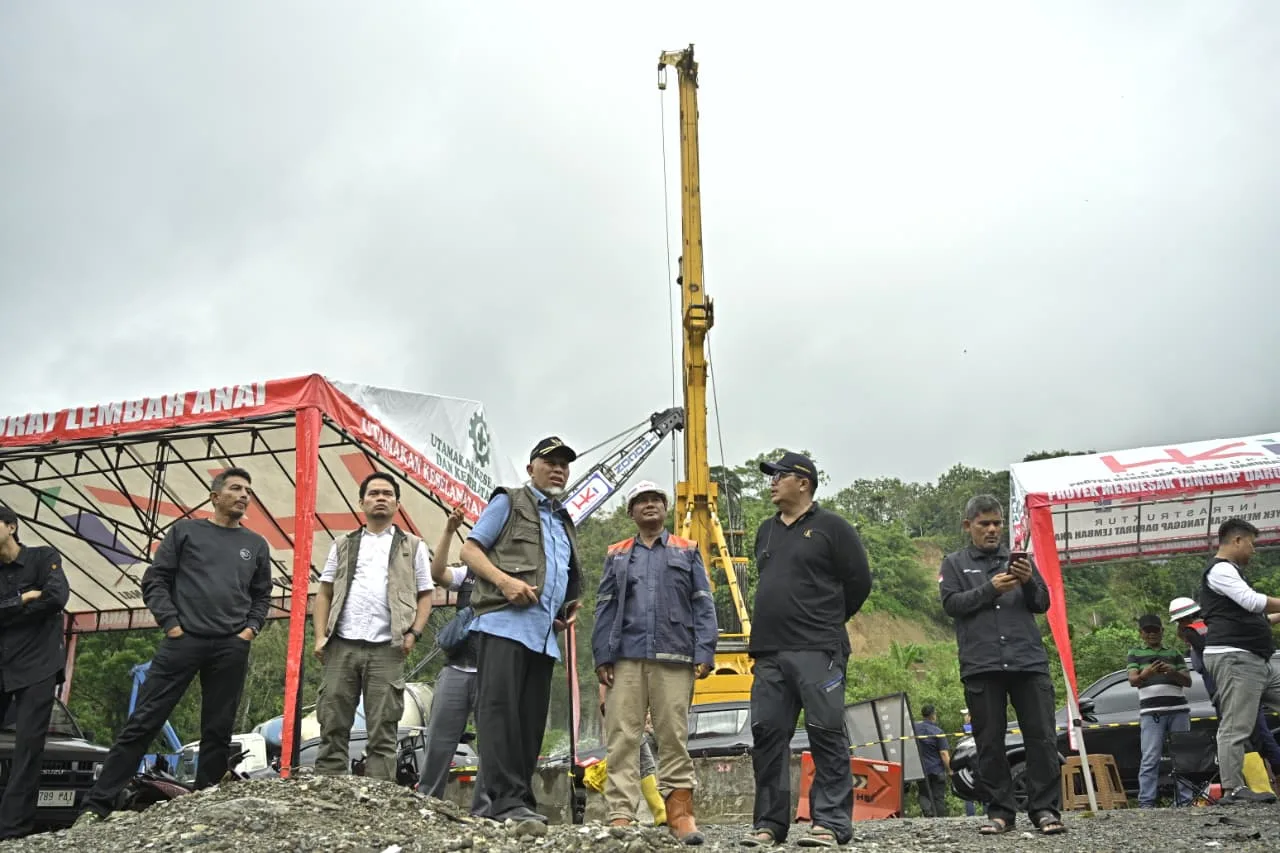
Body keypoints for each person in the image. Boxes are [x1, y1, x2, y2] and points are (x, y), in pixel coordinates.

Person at [77, 467, 272, 825]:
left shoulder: (256, 545)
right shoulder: (185, 532)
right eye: (235, 488)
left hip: (231, 645)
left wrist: (250, 630)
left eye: (248, 490)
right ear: (215, 496)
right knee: (144, 721)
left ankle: (206, 806)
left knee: (218, 729)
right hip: (184, 640)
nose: (244, 495)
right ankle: (95, 807)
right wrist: (172, 625)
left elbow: (262, 595)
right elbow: (155, 580)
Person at [742, 452, 872, 849]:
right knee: (767, 734)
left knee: (825, 732)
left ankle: (830, 823)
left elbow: (859, 582)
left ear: (803, 482)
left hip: (819, 650)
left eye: (779, 475)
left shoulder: (833, 527)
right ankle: (769, 824)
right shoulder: (766, 530)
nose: (772, 482)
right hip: (769, 651)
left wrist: (826, 620)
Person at [464, 436, 583, 824]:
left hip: (543, 636)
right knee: (499, 714)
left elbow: (556, 573)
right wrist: (504, 582)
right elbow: (470, 551)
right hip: (503, 623)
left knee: (530, 724)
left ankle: (521, 802)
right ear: (531, 468)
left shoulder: (563, 520)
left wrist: (564, 606)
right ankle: (505, 802)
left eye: (564, 464)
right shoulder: (509, 501)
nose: (558, 469)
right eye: (550, 462)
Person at [592, 480, 717, 843]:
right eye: (641, 501)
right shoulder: (616, 554)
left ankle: (680, 814)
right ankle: (621, 814)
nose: (649, 505)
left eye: (656, 500)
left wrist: (705, 650)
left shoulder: (686, 550)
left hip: (674, 655)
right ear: (631, 512)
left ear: (665, 509)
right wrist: (602, 656)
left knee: (673, 736)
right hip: (625, 657)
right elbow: (604, 607)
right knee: (622, 736)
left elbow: (702, 602)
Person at [938, 494, 1064, 836]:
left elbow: (1042, 603)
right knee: (989, 741)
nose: (992, 529)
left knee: (1042, 738)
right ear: (968, 526)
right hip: (982, 664)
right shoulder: (954, 563)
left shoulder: (1020, 560)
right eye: (984, 524)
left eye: (997, 523)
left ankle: (1045, 810)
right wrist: (990, 589)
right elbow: (951, 605)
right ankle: (1000, 812)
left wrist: (1028, 580)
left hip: (1028, 662)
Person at [313, 471, 434, 781]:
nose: (381, 498)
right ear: (362, 502)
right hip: (342, 644)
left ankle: (378, 793)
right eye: (374, 493)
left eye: (387, 494)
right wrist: (320, 637)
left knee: (384, 728)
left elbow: (426, 594)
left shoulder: (413, 545)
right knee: (332, 721)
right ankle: (328, 787)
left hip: (388, 648)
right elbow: (324, 593)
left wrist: (414, 633)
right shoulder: (343, 544)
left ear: (397, 504)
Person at [1199, 518, 1280, 804]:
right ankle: (1232, 788)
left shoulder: (1232, 574)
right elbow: (1252, 602)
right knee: (1237, 724)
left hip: (1257, 660)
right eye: (1251, 544)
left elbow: (1255, 616)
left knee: (1240, 722)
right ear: (1237, 540)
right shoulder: (1220, 569)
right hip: (1235, 658)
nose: (1253, 551)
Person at [0, 506, 69, 840]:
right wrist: (22, 599)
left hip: (38, 665)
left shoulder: (43, 557)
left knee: (28, 748)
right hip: (3, 664)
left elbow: (56, 598)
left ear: (11, 526)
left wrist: (7, 612)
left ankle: (11, 830)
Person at [418, 505, 490, 815]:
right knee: (439, 742)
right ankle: (427, 801)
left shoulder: (513, 574)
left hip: (491, 672)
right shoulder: (469, 572)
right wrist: (449, 531)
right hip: (457, 668)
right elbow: (437, 574)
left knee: (490, 746)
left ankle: (484, 811)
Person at [1170, 596, 1280, 779]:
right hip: (1240, 686)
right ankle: (1263, 781)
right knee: (1257, 735)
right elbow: (1264, 621)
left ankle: (1255, 784)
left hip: (1229, 691)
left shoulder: (1196, 631)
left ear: (1182, 621)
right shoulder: (1215, 626)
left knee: (1248, 738)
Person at [1127, 613, 1193, 807]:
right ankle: (1146, 802)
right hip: (1151, 713)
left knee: (1183, 756)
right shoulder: (1134, 653)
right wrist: (1147, 673)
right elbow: (1133, 680)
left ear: (1162, 631)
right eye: (1147, 631)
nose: (1152, 634)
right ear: (1141, 633)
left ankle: (1186, 801)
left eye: (1155, 630)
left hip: (1178, 709)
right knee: (1150, 757)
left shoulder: (1174, 653)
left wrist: (1172, 672)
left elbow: (1188, 681)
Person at [596, 682, 666, 826]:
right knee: (639, 764)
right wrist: (605, 703)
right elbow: (604, 687)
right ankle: (653, 813)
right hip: (623, 714)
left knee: (645, 764)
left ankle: (658, 813)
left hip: (629, 714)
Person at [913, 704, 950, 817]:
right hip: (936, 769)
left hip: (920, 769)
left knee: (923, 793)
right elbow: (944, 753)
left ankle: (928, 814)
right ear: (933, 715)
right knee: (938, 797)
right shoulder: (938, 731)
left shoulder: (914, 729)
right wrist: (949, 770)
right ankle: (940, 820)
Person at [959, 709, 978, 816]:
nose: (964, 717)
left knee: (968, 784)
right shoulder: (981, 724)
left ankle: (970, 814)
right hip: (979, 757)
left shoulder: (966, 727)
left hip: (969, 759)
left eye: (966, 715)